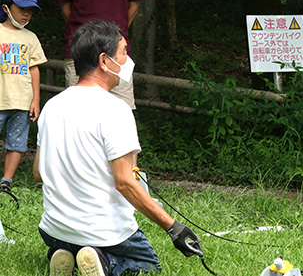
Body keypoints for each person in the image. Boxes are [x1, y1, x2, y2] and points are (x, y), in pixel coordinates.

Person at [34, 20, 202, 276]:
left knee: (71, 242)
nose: (128, 59)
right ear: (104, 61)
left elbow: (38, 172)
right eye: (123, 52)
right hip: (104, 232)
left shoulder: (52, 105)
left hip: (53, 230)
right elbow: (124, 181)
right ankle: (105, 262)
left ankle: (66, 254)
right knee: (148, 268)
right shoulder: (116, 110)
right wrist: (173, 227)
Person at [0, 0, 47, 194]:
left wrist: (35, 100)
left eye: (30, 11)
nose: (26, 14)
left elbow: (34, 69)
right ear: (6, 8)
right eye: (21, 9)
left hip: (22, 101)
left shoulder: (31, 38)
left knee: (17, 143)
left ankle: (6, 182)